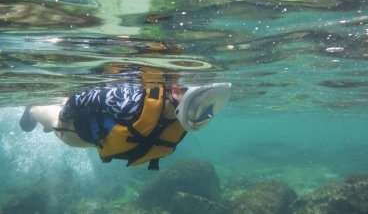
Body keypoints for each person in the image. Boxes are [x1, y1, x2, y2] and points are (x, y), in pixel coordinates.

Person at [19, 82, 231, 170]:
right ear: (175, 91)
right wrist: (64, 119)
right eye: (197, 101)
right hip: (75, 133)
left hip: (103, 139)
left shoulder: (181, 118)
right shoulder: (130, 100)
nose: (201, 109)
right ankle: (32, 111)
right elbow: (81, 98)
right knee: (53, 116)